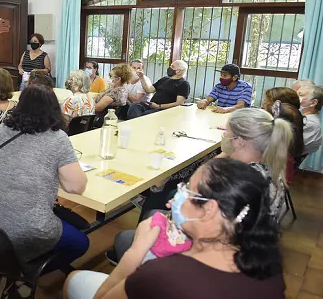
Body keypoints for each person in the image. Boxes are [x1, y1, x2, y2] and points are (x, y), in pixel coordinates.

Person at [64, 159, 285, 299]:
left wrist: (136, 251)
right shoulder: (268, 265)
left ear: (208, 209)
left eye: (187, 190)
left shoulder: (163, 274)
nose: (173, 200)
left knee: (74, 279)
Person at [108, 107, 291, 265]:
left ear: (240, 140)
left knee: (126, 236)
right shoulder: (270, 171)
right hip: (246, 251)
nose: (223, 135)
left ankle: (138, 269)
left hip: (210, 255)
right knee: (154, 211)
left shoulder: (233, 179)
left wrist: (180, 209)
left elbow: (198, 225)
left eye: (226, 131)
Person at [0, 85, 88, 276]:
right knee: (81, 242)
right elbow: (76, 187)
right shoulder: (57, 139)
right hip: (28, 229)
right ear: (54, 109)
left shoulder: (3, 128)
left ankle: (24, 261)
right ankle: (28, 271)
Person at [297, 85, 322, 155]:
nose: (295, 97)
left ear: (313, 103)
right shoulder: (300, 114)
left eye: (300, 95)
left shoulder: (310, 124)